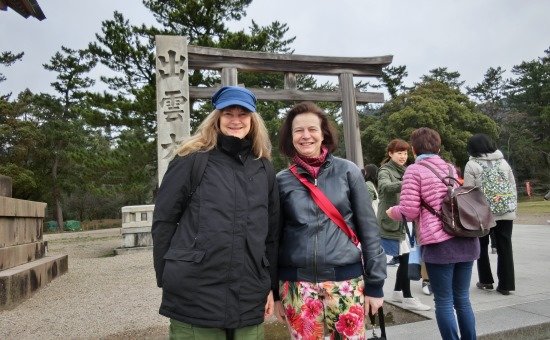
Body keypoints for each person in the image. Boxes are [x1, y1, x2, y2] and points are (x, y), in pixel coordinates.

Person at [152, 86, 280, 339]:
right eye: (228, 113)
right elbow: (164, 221)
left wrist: (270, 286)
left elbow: (271, 234)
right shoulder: (191, 159)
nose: (235, 120)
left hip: (248, 293)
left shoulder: (264, 168)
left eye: (243, 114)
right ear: (216, 118)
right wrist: (167, 277)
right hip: (194, 292)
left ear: (253, 120)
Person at [273, 101, 386, 339]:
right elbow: (274, 238)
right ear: (290, 136)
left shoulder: (348, 171)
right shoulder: (281, 180)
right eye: (298, 130)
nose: (306, 136)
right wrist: (274, 293)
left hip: (346, 281)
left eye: (312, 129)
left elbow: (369, 230)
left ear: (323, 133)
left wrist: (375, 284)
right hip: (296, 285)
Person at [386, 127, 479, 340]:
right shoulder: (449, 167)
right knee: (462, 299)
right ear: (438, 147)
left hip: (440, 243)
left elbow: (409, 211)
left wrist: (392, 212)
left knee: (444, 301)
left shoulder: (414, 171)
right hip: (465, 238)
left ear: (414, 150)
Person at [378, 139, 430, 311]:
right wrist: (407, 181)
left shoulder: (407, 170)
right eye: (399, 152)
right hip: (392, 222)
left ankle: (398, 292)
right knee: (405, 258)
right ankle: (408, 297)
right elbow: (385, 187)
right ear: (390, 154)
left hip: (405, 222)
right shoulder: (385, 170)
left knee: (404, 257)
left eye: (405, 153)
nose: (403, 156)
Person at [464, 133, 517, 295]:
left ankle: (486, 280)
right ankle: (506, 285)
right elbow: (512, 185)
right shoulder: (503, 162)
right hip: (505, 210)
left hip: (482, 213)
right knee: (505, 246)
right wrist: (512, 207)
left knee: (481, 245)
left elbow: (468, 191)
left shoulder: (472, 165)